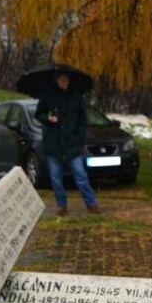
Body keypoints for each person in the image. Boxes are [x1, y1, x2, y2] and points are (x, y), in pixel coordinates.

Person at [35, 72, 101, 217]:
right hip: (53, 144)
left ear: (69, 80)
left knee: (80, 174)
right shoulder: (47, 96)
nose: (64, 81)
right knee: (55, 176)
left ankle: (91, 204)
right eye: (61, 79)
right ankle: (61, 205)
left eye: (66, 79)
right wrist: (47, 117)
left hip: (72, 144)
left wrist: (79, 137)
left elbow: (82, 120)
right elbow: (38, 114)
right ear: (57, 80)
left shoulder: (76, 97)